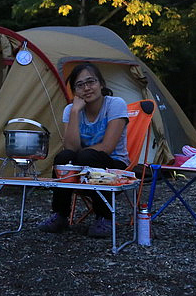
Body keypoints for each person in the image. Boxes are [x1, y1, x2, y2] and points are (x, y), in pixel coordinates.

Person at [38, 62, 129, 237]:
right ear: (74, 92)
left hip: (114, 166)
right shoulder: (71, 110)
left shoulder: (115, 104)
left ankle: (105, 218)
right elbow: (70, 147)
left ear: (101, 84)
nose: (87, 88)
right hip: (83, 165)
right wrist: (74, 112)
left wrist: (81, 157)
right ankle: (60, 215)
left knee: (86, 156)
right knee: (64, 157)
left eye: (91, 82)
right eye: (80, 85)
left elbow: (107, 148)